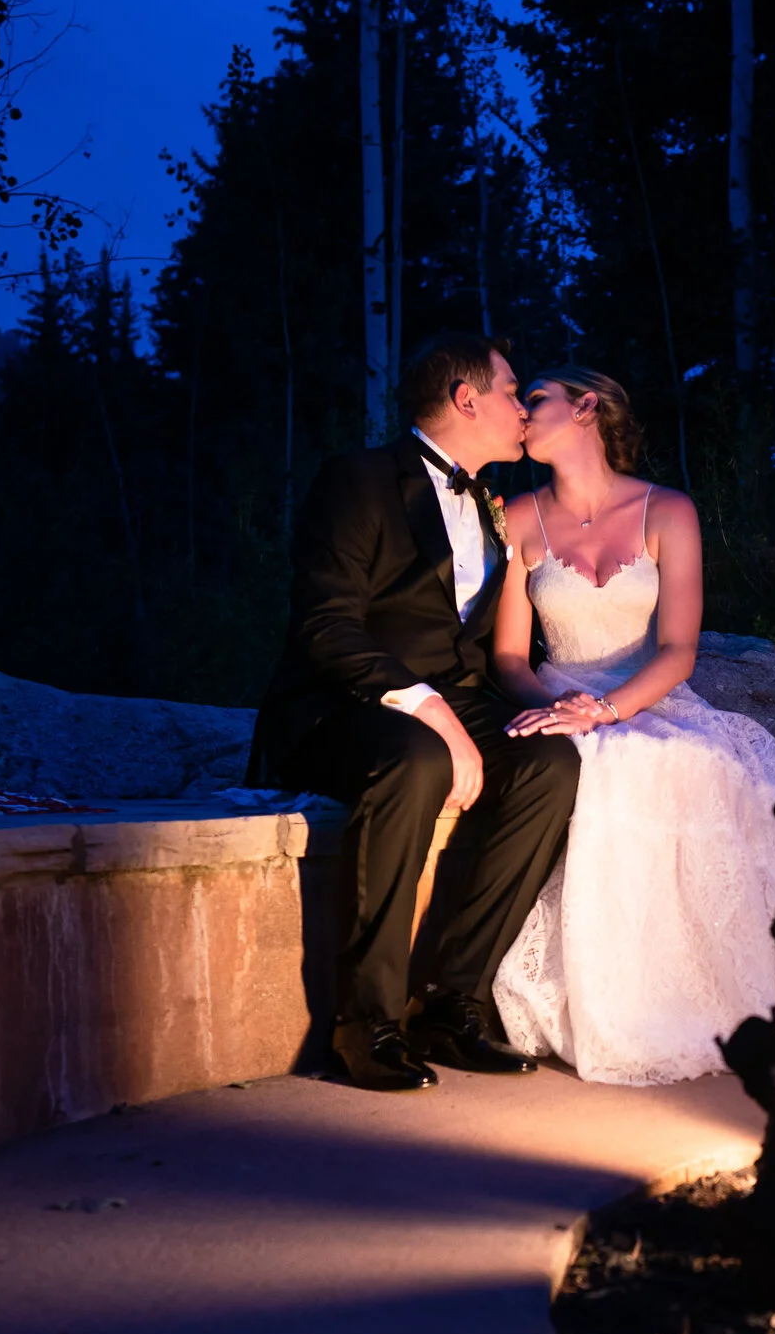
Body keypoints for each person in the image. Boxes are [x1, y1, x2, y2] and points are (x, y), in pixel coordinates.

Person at [244, 334, 579, 1092]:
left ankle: (455, 1000)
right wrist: (433, 713)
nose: (521, 407)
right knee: (417, 756)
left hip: (454, 703)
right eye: (509, 391)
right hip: (343, 708)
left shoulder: (493, 506)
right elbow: (326, 626)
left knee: (551, 762)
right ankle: (368, 1021)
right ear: (467, 398)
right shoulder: (358, 480)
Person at [487, 367, 775, 1085]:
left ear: (587, 407)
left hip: (650, 694)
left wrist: (608, 708)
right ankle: (598, 1004)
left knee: (675, 761)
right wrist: (548, 703)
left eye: (534, 399)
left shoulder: (667, 511)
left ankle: (676, 997)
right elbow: (509, 655)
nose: (521, 413)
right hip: (556, 689)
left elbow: (678, 651)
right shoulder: (516, 517)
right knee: (599, 761)